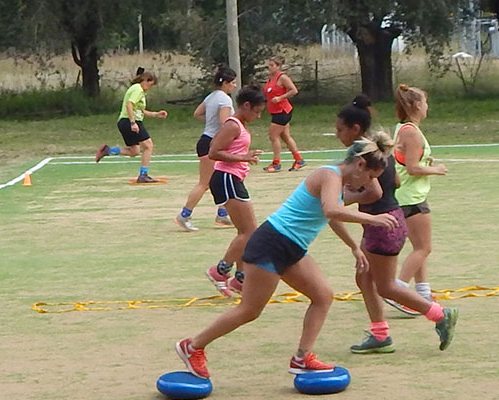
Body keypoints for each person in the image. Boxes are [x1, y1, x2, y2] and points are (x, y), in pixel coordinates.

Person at [176, 138, 400, 379]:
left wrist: (354, 247)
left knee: (323, 296)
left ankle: (302, 358)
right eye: (370, 177)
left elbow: (331, 216)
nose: (368, 183)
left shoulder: (337, 182)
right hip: (272, 243)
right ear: (360, 165)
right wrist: (373, 219)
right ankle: (193, 346)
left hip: (292, 247)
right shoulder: (329, 175)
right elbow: (331, 210)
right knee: (249, 310)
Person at [334, 95, 458, 354]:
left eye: (340, 130)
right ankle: (380, 334)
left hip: (383, 225)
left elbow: (375, 192)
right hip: (388, 220)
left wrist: (341, 199)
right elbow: (397, 183)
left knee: (386, 286)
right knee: (364, 277)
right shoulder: (380, 147)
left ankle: (439, 314)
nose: (337, 135)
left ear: (355, 128)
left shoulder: (360, 152)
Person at [384, 84, 449, 316]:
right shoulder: (411, 132)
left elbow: (406, 161)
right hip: (411, 198)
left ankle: (423, 293)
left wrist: (425, 163)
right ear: (417, 105)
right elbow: (412, 168)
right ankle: (399, 290)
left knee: (419, 247)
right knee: (424, 248)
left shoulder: (403, 129)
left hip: (407, 196)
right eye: (426, 102)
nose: (427, 107)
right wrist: (436, 170)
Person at [203, 84, 265, 297]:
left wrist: (245, 155)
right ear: (246, 106)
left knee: (246, 232)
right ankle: (220, 271)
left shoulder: (239, 125)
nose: (258, 116)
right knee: (250, 232)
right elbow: (213, 152)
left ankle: (240, 279)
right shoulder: (233, 125)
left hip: (233, 178)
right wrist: (243, 157)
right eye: (257, 111)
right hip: (226, 178)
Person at [176, 65, 237, 232]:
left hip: (207, 140)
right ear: (225, 83)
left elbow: (197, 113)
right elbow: (225, 123)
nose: (235, 86)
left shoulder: (211, 97)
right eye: (233, 82)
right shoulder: (224, 99)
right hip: (212, 142)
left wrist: (211, 121)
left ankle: (223, 214)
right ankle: (184, 215)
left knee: (220, 180)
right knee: (204, 183)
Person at [95, 67, 168, 183]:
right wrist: (133, 122)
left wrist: (155, 114)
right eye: (150, 85)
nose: (150, 88)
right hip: (129, 121)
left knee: (134, 151)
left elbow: (140, 110)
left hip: (124, 122)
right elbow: (129, 105)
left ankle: (108, 150)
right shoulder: (138, 89)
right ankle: (143, 175)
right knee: (148, 146)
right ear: (145, 80)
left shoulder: (137, 90)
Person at [262, 55, 306, 173]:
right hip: (275, 111)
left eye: (272, 65)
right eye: (269, 65)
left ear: (278, 66)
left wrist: (280, 98)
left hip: (282, 111)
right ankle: (299, 159)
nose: (269, 67)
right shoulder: (270, 78)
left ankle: (276, 163)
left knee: (273, 136)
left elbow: (294, 90)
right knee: (285, 136)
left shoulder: (282, 77)